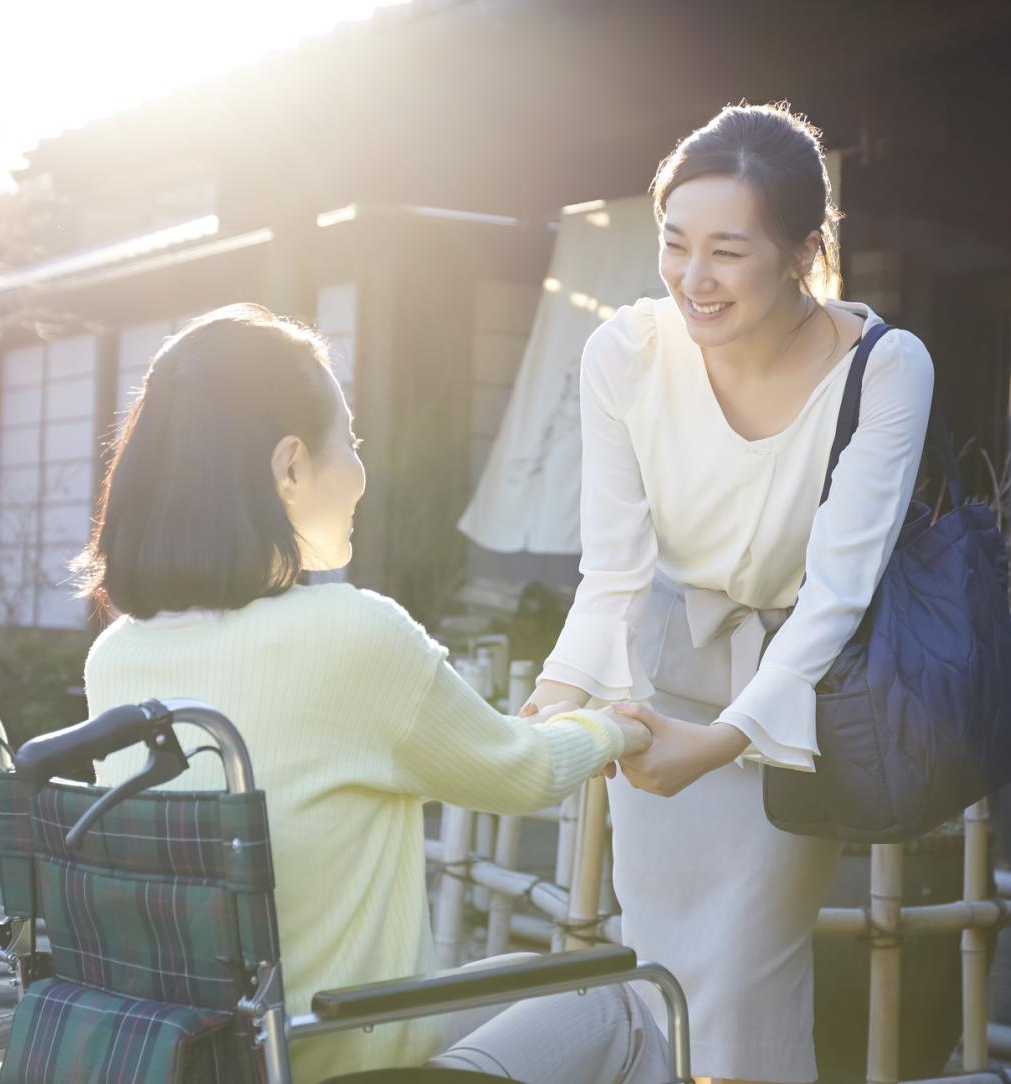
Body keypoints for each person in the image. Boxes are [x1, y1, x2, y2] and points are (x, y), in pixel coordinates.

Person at [73, 303, 670, 1084]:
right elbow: (517, 775)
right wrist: (615, 728)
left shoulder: (115, 657)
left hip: (203, 1058)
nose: (359, 468)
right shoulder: (351, 634)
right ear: (289, 467)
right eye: (348, 442)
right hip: (336, 1055)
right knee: (620, 1002)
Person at [519, 102, 936, 1084]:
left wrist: (724, 741)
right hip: (663, 696)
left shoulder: (883, 368)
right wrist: (553, 698)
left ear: (799, 250)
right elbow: (614, 570)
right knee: (662, 984)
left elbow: (837, 594)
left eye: (726, 251)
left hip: (791, 709)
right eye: (673, 244)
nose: (691, 279)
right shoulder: (620, 354)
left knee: (745, 982)